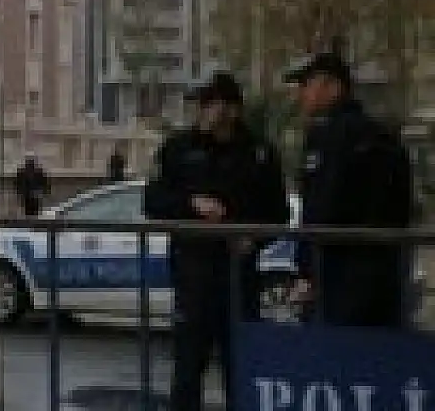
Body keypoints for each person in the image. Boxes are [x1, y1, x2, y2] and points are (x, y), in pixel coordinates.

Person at [143, 72, 289, 411]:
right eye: (200, 104)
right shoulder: (178, 149)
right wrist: (191, 204)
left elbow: (278, 214)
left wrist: (255, 239)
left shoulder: (259, 153)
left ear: (231, 109)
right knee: (187, 369)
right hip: (193, 273)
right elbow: (153, 201)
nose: (202, 112)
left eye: (209, 104)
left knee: (240, 367)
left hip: (240, 275)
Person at [285, 52, 413, 328]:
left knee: (332, 350)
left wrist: (306, 271)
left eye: (308, 84)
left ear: (334, 86)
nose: (301, 94)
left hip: (337, 275)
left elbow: (321, 206)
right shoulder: (384, 135)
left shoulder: (328, 135)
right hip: (384, 272)